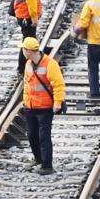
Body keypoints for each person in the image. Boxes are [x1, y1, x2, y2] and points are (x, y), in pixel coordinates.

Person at [20, 36, 64, 175]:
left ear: (28, 51)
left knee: (44, 136)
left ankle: (47, 165)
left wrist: (57, 103)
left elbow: (58, 85)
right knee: (32, 134)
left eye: (23, 49)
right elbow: (27, 85)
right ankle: (38, 158)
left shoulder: (50, 64)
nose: (22, 51)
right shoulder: (28, 64)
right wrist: (25, 101)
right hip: (30, 107)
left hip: (45, 108)